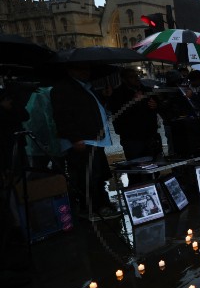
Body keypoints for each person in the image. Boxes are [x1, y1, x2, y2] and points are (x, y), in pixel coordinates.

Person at [50, 64, 122, 221]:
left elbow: (91, 108)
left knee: (99, 174)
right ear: (69, 70)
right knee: (87, 176)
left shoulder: (86, 87)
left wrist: (104, 95)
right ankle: (92, 208)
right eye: (80, 68)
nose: (85, 71)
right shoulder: (63, 88)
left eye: (87, 68)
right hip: (83, 140)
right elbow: (62, 116)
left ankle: (102, 204)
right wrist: (75, 138)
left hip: (95, 140)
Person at [107, 68, 163, 164]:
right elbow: (117, 113)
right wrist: (133, 102)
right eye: (132, 77)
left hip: (150, 134)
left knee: (154, 164)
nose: (136, 79)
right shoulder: (118, 93)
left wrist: (156, 105)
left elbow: (159, 106)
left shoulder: (146, 90)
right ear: (124, 79)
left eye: (136, 76)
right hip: (132, 137)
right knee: (136, 165)